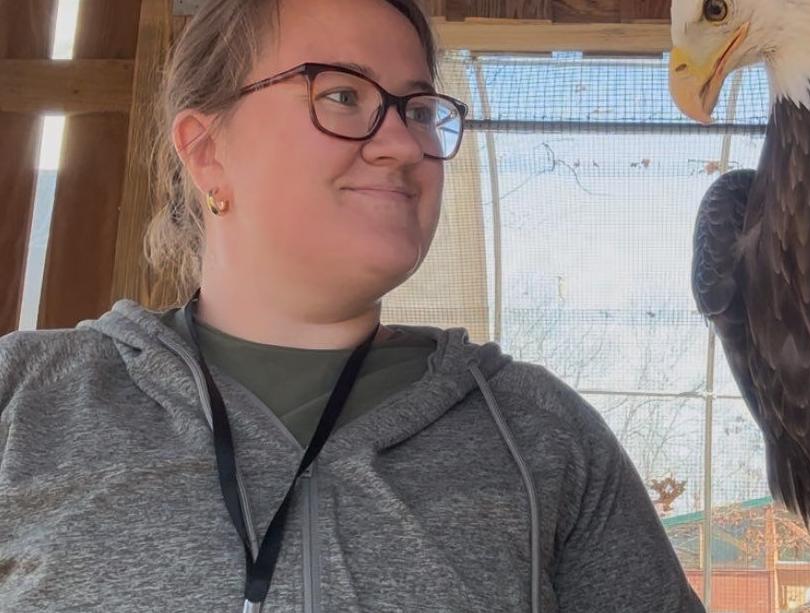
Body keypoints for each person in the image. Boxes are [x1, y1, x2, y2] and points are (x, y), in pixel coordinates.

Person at [0, 0, 705, 611]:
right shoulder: (25, 397)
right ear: (206, 149)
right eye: (341, 95)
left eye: (420, 109)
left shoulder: (538, 432)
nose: (403, 144)